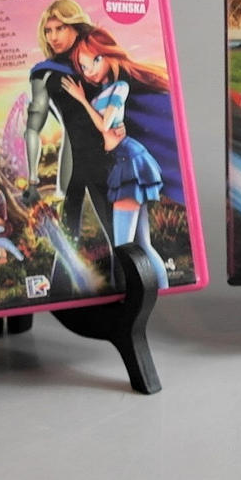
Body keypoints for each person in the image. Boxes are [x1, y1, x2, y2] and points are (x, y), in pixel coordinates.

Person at [60, 28, 172, 287]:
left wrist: (81, 100)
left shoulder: (120, 87)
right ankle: (162, 290)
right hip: (123, 160)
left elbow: (105, 125)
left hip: (128, 163)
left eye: (95, 60)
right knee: (142, 244)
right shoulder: (104, 90)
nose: (89, 71)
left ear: (109, 55)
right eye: (84, 66)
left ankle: (130, 293)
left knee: (123, 247)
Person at [24, 0, 113, 247]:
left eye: (60, 28)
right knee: (69, 236)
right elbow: (32, 127)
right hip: (74, 158)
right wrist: (33, 180)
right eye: (48, 31)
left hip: (109, 152)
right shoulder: (45, 72)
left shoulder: (98, 59)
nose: (53, 37)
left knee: (118, 229)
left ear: (76, 26)